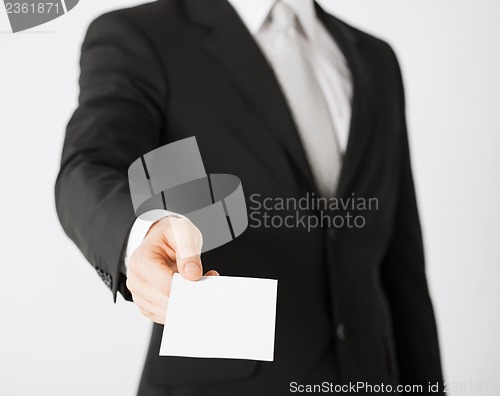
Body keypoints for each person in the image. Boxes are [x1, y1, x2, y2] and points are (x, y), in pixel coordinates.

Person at [55, 0, 444, 394]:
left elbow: (403, 268)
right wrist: (139, 237)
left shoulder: (375, 59)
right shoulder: (142, 36)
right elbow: (89, 167)